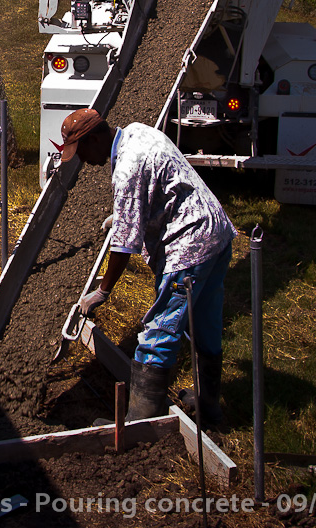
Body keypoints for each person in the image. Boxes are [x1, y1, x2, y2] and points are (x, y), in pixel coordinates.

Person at [62, 108, 235, 426]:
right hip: (216, 235)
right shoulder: (137, 131)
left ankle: (140, 422)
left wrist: (102, 290)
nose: (83, 160)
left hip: (190, 248)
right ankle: (209, 407)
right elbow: (161, 179)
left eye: (82, 151)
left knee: (158, 333)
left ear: (97, 139)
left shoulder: (128, 166)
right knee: (204, 324)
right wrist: (124, 212)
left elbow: (123, 244)